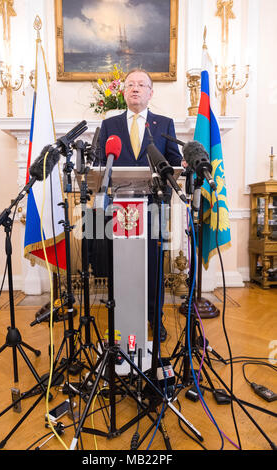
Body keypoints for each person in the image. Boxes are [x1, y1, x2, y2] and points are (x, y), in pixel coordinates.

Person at [98, 68, 182, 342]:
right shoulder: (110, 125)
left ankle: (154, 321)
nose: (135, 88)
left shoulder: (164, 124)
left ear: (150, 93)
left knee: (153, 267)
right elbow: (101, 164)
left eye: (141, 85)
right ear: (123, 92)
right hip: (117, 211)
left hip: (153, 208)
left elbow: (173, 162)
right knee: (119, 266)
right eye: (130, 84)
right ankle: (119, 321)